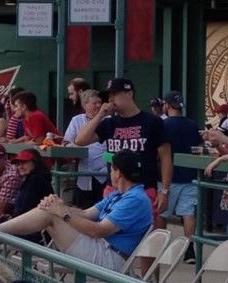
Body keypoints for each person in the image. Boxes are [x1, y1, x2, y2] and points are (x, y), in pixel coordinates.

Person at [0, 148, 154, 271]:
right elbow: (86, 214)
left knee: (51, 214)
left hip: (113, 259)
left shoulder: (135, 199)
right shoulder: (119, 194)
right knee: (50, 209)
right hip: (102, 248)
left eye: (112, 167)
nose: (110, 170)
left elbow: (98, 231)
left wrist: (62, 213)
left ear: (118, 173)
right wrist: (59, 205)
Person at [71, 75, 173, 209]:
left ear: (129, 93)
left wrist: (164, 191)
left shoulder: (152, 121)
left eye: (115, 94)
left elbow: (166, 157)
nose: (111, 99)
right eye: (109, 95)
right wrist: (100, 115)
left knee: (143, 228)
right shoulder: (109, 123)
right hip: (114, 190)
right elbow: (80, 140)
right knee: (108, 227)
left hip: (143, 188)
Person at [159, 91, 204, 249]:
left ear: (167, 105)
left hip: (167, 177)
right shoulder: (192, 124)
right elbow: (199, 148)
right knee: (188, 213)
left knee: (161, 213)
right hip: (190, 175)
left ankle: (158, 246)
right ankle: (189, 248)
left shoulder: (162, 125)